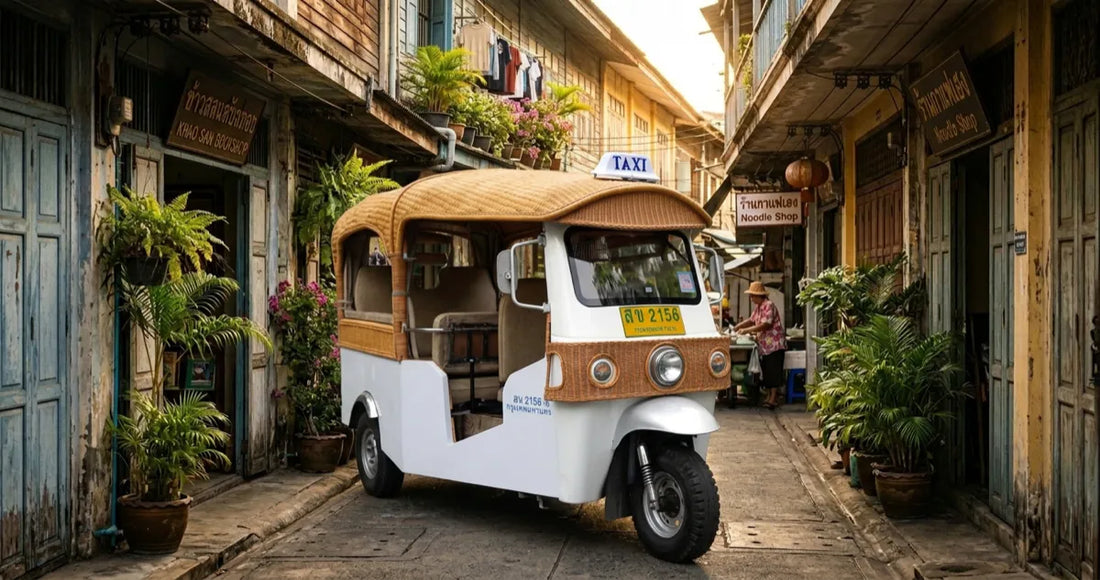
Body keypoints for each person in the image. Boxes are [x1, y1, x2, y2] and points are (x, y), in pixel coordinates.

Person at [732, 281, 787, 409]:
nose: (751, 298)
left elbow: (766, 324)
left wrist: (747, 330)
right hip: (765, 347)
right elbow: (751, 320)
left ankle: (773, 399)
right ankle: (768, 396)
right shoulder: (759, 307)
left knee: (774, 372)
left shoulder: (769, 305)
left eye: (752, 296)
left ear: (758, 295)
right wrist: (738, 326)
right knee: (767, 372)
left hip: (774, 345)